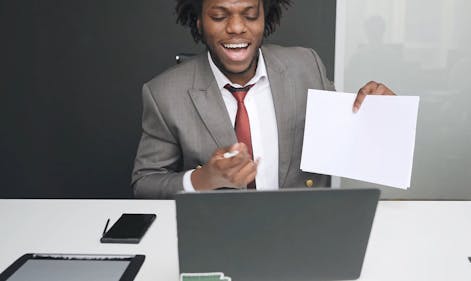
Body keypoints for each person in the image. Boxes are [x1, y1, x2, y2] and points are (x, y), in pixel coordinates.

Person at [131, 0, 395, 198]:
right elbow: (145, 184)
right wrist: (203, 179)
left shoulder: (306, 66)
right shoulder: (164, 93)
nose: (236, 28)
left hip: (303, 227)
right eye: (219, 16)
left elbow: (344, 145)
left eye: (250, 15)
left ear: (264, 18)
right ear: (199, 22)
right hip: (217, 232)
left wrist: (379, 116)